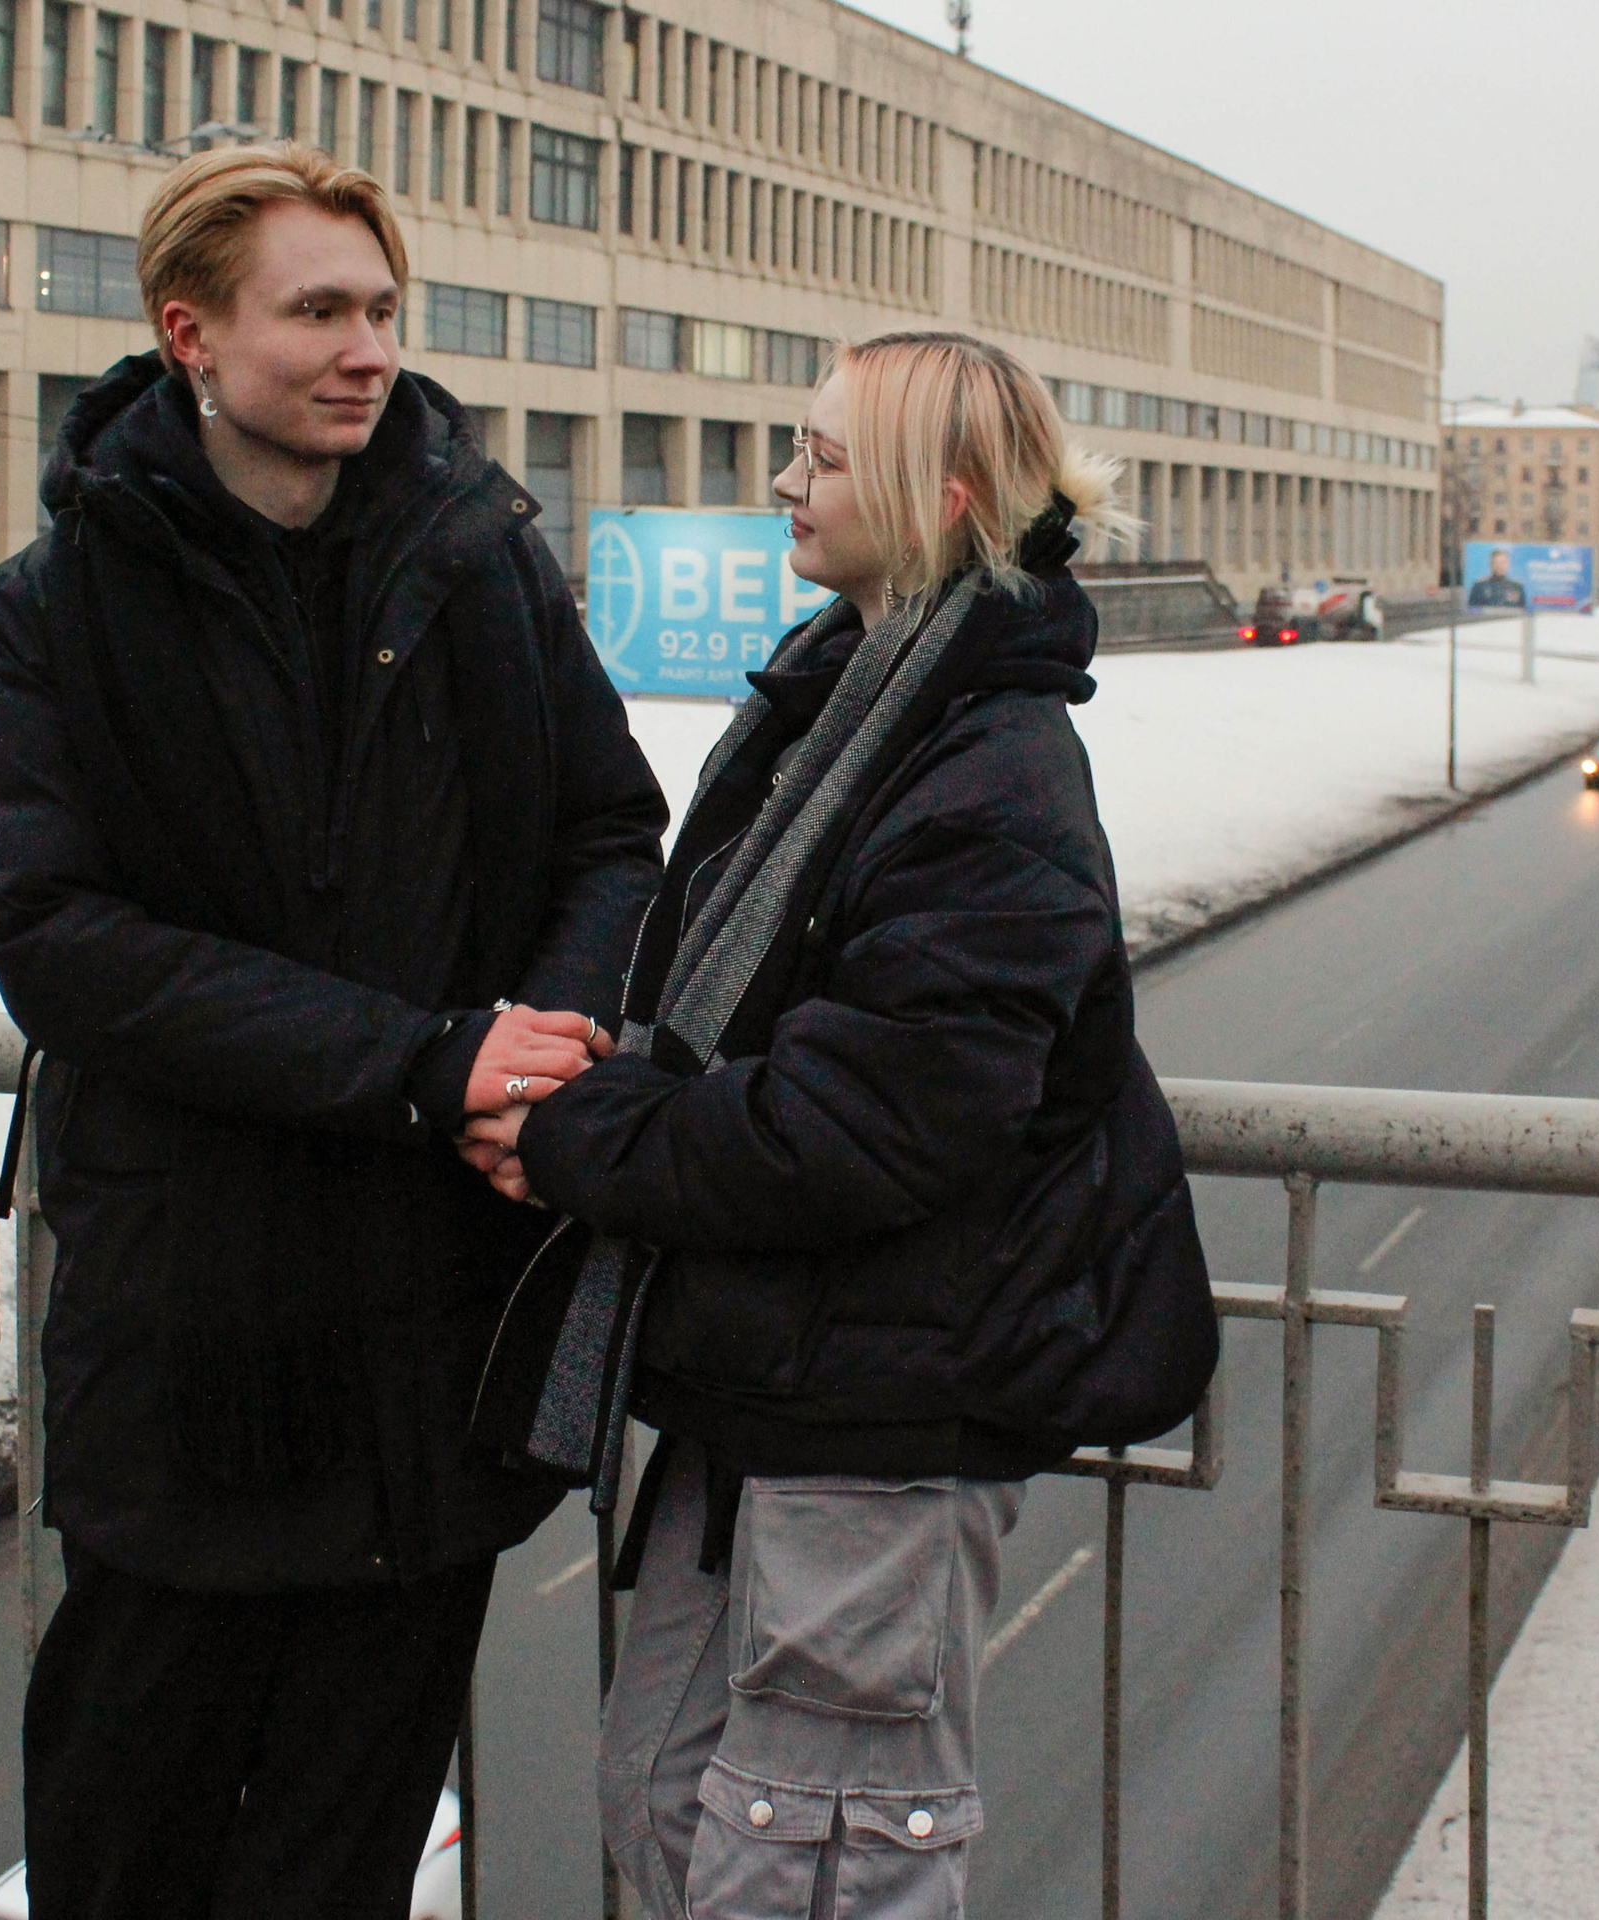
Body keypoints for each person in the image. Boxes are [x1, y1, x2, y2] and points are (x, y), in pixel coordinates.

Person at [0, 143, 666, 1918]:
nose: (368, 350)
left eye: (381, 311)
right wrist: (422, 1061)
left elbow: (606, 829)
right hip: (196, 1330)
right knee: (128, 1850)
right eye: (320, 311)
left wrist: (542, 1053)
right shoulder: (59, 610)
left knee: (341, 1864)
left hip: (430, 1345)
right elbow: (64, 945)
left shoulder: (480, 564)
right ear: (190, 332)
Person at [460, 332, 1214, 1918]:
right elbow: (737, 1023)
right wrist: (612, 1089)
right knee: (666, 1795)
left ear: (941, 500)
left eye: (823, 456)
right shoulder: (846, 713)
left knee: (818, 1859)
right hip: (772, 1385)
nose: (786, 485)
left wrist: (581, 1139)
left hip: (885, 1410)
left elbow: (868, 1126)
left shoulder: (987, 771)